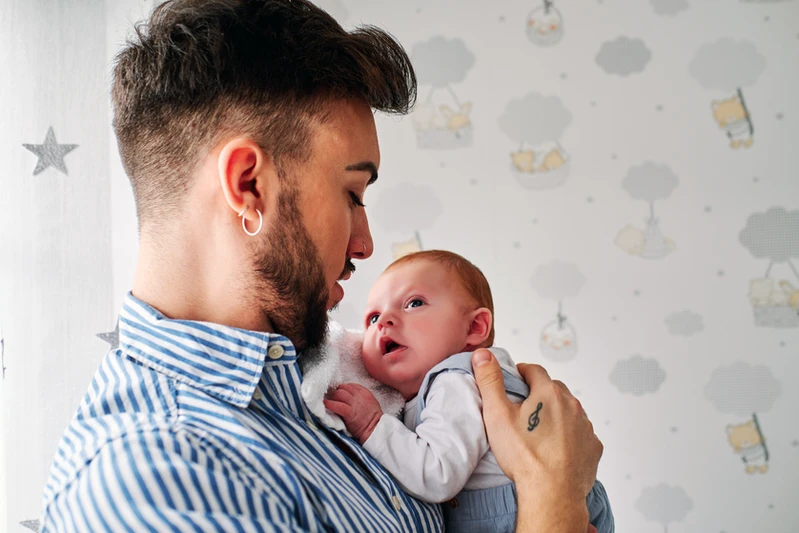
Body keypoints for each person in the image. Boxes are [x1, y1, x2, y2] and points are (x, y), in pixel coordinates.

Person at [39, 1, 604, 531]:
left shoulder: (323, 380)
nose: (365, 243)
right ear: (248, 185)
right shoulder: (159, 484)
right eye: (352, 194)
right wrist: (552, 496)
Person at [325, 250, 613, 532]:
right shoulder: (434, 388)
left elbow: (437, 474)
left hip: (518, 508)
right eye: (373, 318)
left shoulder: (455, 379)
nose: (384, 321)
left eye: (414, 303)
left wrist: (372, 425)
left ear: (475, 327)